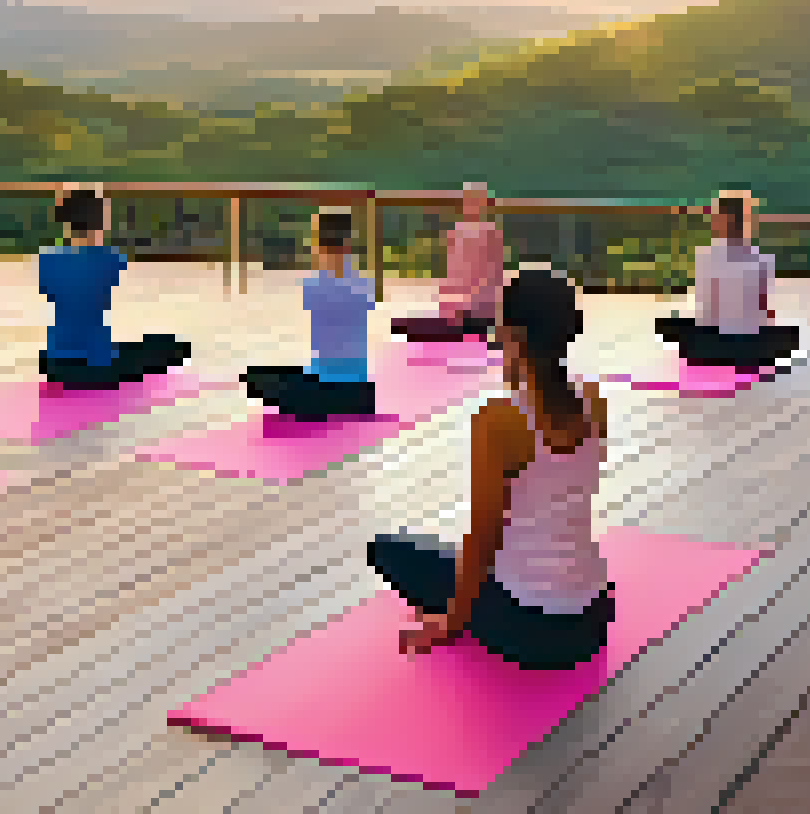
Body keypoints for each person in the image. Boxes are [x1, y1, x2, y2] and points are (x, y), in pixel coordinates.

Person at [369, 269, 616, 669]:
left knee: (389, 550)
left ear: (512, 334)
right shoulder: (592, 398)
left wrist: (450, 623)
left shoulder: (498, 419)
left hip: (531, 626)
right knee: (444, 553)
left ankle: (475, 613)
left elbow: (484, 535)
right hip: (592, 616)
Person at [37, 187, 189, 389]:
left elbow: (52, 290)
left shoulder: (46, 259)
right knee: (164, 346)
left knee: (124, 348)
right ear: (100, 223)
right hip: (98, 367)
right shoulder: (111, 258)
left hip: (55, 364)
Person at [243, 209, 378, 421]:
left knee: (258, 377)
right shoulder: (363, 282)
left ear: (320, 245)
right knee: (265, 376)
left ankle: (316, 405)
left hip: (334, 386)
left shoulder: (316, 283)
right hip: (358, 387)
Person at [654, 195, 800, 371]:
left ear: (718, 223)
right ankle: (749, 353)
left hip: (711, 344)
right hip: (750, 345)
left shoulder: (705, 257)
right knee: (788, 335)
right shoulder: (763, 260)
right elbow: (764, 311)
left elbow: (706, 308)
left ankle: (715, 353)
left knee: (670, 325)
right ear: (746, 222)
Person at [393, 184, 504, 342]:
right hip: (457, 311)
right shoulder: (458, 233)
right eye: (468, 202)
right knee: (400, 326)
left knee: (405, 327)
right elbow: (452, 277)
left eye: (474, 202)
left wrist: (457, 309)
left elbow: (486, 283)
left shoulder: (489, 236)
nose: (469, 207)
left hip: (473, 314)